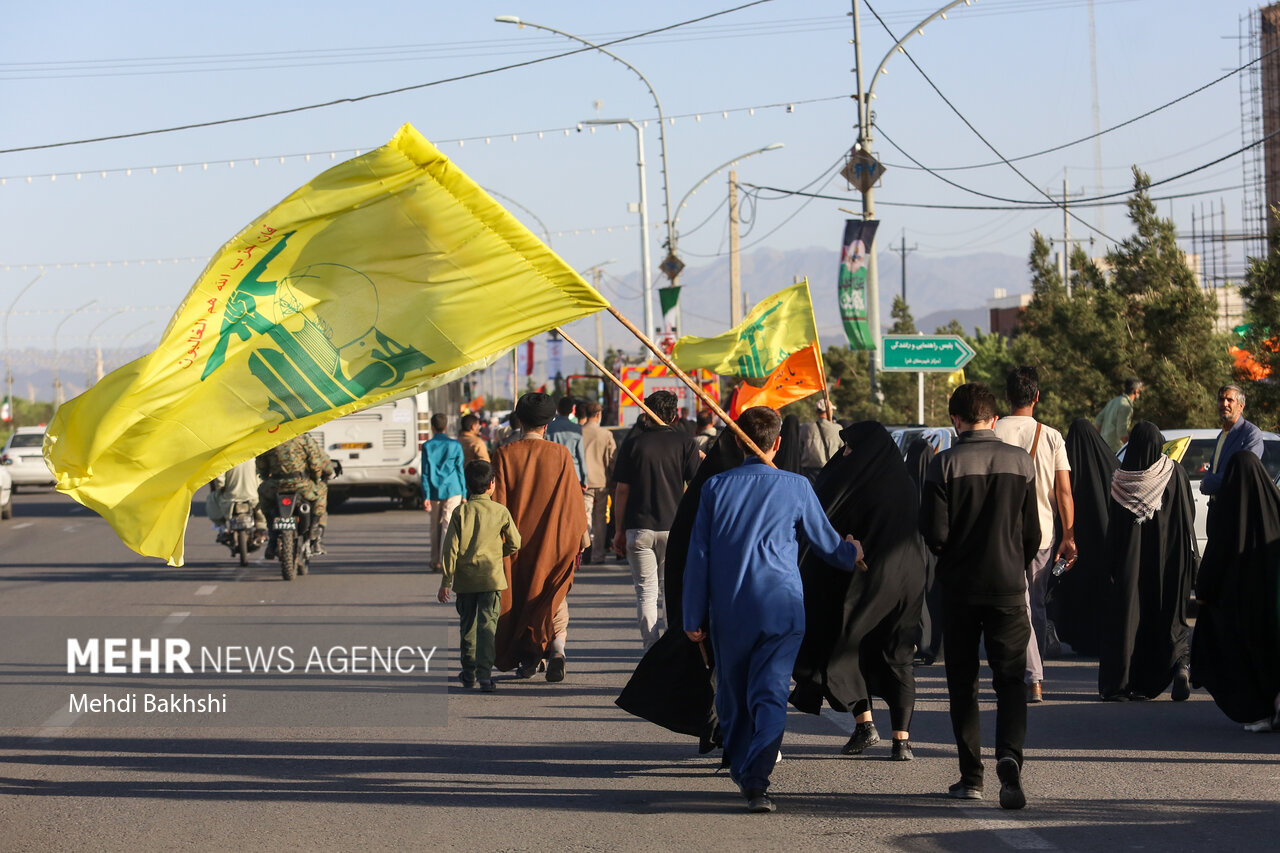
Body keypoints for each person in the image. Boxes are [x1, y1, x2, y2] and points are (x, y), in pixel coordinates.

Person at [684, 406, 863, 813]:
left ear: (733, 441)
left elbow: (699, 556)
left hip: (730, 610)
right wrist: (854, 551)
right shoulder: (796, 486)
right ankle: (757, 777)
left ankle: (750, 772)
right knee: (770, 693)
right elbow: (829, 545)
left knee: (732, 696)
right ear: (777, 443)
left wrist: (692, 617)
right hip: (781, 607)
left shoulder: (715, 488)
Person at [919, 382, 1037, 810]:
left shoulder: (943, 464)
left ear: (956, 420)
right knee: (1010, 681)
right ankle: (1010, 756)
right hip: (1008, 586)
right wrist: (1013, 564)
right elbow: (1033, 534)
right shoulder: (1022, 462)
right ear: (993, 417)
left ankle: (971, 777)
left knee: (963, 684)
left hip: (961, 589)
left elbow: (934, 534)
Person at [791, 421, 926, 763]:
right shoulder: (904, 481)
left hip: (867, 577)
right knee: (898, 655)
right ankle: (902, 740)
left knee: (846, 647)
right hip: (908, 577)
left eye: (850, 447)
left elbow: (826, 522)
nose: (844, 453)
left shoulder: (855, 481)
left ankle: (865, 723)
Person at [993, 366, 1077, 703]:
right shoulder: (1052, 435)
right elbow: (1064, 492)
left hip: (1002, 534)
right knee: (1035, 602)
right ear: (1037, 396)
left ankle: (1027, 672)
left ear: (1007, 396)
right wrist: (1069, 536)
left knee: (1013, 603)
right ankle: (1036, 672)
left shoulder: (993, 431)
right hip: (1042, 534)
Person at [1098, 421, 1197, 703]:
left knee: (1128, 620)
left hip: (1131, 565)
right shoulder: (1174, 472)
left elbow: (1114, 529)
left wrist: (1112, 566)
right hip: (1169, 561)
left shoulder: (1121, 481)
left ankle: (1120, 685)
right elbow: (1188, 515)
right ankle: (1174, 667)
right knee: (1166, 617)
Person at [492, 392, 588, 682]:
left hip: (515, 545)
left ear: (519, 420)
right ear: (548, 424)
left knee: (519, 598)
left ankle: (529, 655)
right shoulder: (560, 455)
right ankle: (557, 648)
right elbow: (574, 504)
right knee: (552, 595)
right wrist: (580, 542)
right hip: (553, 543)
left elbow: (497, 505)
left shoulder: (504, 455)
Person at [1189, 452, 1280, 730]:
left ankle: (1260, 711)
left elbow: (1216, 556)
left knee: (1245, 655)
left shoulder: (1230, 513)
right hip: (1272, 602)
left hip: (1241, 603)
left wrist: (1203, 590)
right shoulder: (1275, 508)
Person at [612, 391, 702, 649]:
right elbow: (695, 484)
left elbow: (622, 490)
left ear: (645, 413)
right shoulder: (686, 442)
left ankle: (651, 647)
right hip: (674, 528)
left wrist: (618, 530)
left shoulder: (633, 445)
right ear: (674, 415)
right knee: (670, 591)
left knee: (646, 592)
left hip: (639, 527)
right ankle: (671, 649)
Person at [437, 460, 522, 693]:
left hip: (465, 581)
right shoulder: (500, 511)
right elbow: (516, 543)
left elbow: (450, 549)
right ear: (492, 484)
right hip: (491, 578)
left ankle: (468, 672)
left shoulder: (460, 512)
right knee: (487, 627)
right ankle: (485, 676)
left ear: (467, 485)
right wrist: (498, 553)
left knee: (467, 627)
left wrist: (446, 581)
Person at [1052, 418, 1119, 657]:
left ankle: (1082, 639)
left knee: (1080, 592)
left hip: (1076, 546)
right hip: (1104, 545)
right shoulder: (1111, 465)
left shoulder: (1068, 470)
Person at [257, 433, 335, 557]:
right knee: (321, 491)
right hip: (302, 485)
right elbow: (315, 463)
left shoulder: (269, 439)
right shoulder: (304, 439)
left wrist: (266, 476)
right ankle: (314, 534)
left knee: (262, 492)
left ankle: (272, 537)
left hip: (276, 486)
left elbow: (261, 466)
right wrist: (316, 479)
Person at [1200, 383, 1264, 497]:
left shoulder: (1251, 434)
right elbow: (1214, 468)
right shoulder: (1222, 435)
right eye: (1221, 399)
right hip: (1216, 506)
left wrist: (1208, 483)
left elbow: (1243, 473)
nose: (1224, 404)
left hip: (1236, 507)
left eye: (1230, 400)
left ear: (1241, 406)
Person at [421, 413, 466, 573]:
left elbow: (425, 472)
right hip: (453, 488)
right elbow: (460, 469)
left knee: (435, 526)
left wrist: (425, 495)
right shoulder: (455, 445)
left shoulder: (427, 446)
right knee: (448, 524)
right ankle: (446, 560)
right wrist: (464, 493)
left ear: (432, 427)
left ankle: (435, 560)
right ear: (446, 426)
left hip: (433, 490)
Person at [578, 400, 616, 563]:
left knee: (585, 518)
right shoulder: (606, 434)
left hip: (583, 482)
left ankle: (585, 550)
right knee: (600, 520)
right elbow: (612, 459)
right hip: (601, 481)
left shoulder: (578, 432)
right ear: (599, 415)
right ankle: (598, 554)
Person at [207, 458, 268, 554]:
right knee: (261, 519)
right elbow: (262, 475)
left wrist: (220, 489)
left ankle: (222, 527)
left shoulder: (226, 456)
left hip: (230, 498)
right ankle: (262, 529)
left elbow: (219, 479)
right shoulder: (255, 455)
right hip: (253, 497)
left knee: (212, 497)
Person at [546, 396, 587, 488]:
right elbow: (581, 456)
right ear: (572, 410)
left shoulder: (548, 427)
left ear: (558, 409)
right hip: (573, 473)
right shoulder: (576, 429)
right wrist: (584, 479)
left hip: (553, 472)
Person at [1095, 377, 1143, 452]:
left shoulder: (1114, 401)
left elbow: (1098, 420)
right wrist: (1132, 449)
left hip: (1104, 447)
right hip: (1116, 449)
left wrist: (1099, 440)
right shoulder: (1126, 406)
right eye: (1140, 391)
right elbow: (1122, 432)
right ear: (1135, 391)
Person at [799, 399, 843, 481]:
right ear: (829, 411)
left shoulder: (805, 427)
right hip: (830, 469)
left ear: (816, 412)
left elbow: (800, 447)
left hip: (809, 470)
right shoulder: (838, 428)